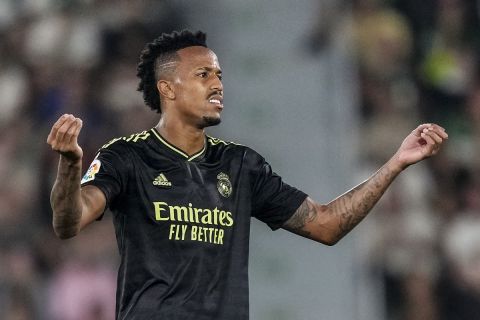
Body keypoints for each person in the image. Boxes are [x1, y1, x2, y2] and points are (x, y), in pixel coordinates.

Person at [47, 30, 448, 319]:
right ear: (167, 89)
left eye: (219, 74)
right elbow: (69, 222)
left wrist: (395, 163)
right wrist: (69, 166)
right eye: (204, 75)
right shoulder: (128, 156)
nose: (218, 84)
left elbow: (327, 225)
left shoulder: (240, 166)